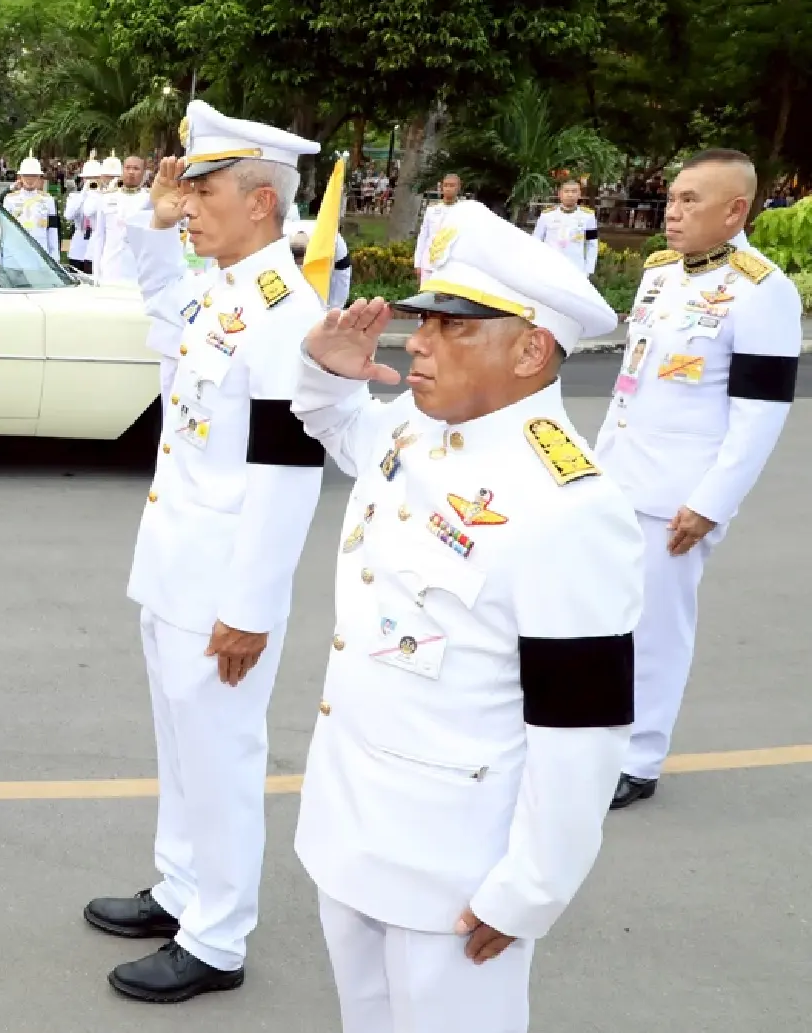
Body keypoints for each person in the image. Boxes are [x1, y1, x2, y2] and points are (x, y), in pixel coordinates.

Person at [292, 199, 643, 1033]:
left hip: (454, 869)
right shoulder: (419, 429)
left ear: (530, 350)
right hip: (351, 825)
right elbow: (344, 432)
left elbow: (582, 726)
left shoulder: (568, 505)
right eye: (423, 319)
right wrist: (326, 372)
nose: (418, 341)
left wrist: (530, 888)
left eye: (453, 325)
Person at [85, 101, 325, 1004]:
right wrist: (154, 227)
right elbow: (162, 310)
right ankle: (181, 886)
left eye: (204, 190)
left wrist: (250, 607)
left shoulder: (284, 313)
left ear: (261, 201)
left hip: (224, 582)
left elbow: (288, 475)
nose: (188, 203)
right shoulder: (228, 289)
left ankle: (217, 936)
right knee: (181, 744)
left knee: (221, 756)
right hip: (177, 563)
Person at [594, 149, 798, 810]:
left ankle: (638, 756)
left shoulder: (762, 290)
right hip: (619, 477)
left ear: (735, 210)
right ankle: (596, 735)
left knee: (655, 628)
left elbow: (761, 413)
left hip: (677, 495)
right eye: (672, 198)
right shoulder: (659, 273)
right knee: (603, 615)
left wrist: (711, 503)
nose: (672, 212)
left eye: (690, 201)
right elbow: (631, 384)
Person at [94, 155, 152, 287]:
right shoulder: (107, 198)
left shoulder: (149, 200)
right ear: (122, 170)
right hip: (110, 270)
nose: (131, 172)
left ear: (143, 173)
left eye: (136, 169)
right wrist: (96, 273)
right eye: (128, 168)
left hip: (138, 271)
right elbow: (99, 237)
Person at [286, 211, 354, 309]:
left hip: (335, 260)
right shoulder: (282, 238)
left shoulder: (334, 244)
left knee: (330, 307)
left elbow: (341, 281)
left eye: (301, 263)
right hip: (300, 245)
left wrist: (334, 307)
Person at [531, 178, 598, 275]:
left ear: (579, 194)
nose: (570, 195)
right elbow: (536, 241)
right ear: (560, 194)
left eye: (574, 191)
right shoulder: (547, 215)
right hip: (549, 267)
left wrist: (588, 270)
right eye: (566, 191)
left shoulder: (588, 216)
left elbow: (592, 244)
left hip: (576, 268)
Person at [3, 155, 59, 258]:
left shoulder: (48, 200)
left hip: (40, 254)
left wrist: (55, 256)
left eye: (34, 176)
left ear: (39, 178)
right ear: (20, 177)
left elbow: (53, 231)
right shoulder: (10, 200)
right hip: (16, 255)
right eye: (26, 176)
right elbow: (5, 231)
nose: (30, 179)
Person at [414, 173, 462, 281]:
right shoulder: (432, 210)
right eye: (446, 185)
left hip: (449, 266)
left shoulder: (462, 211)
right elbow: (423, 237)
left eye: (452, 185)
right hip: (429, 264)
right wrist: (418, 263)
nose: (448, 189)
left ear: (458, 187)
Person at [63, 153, 104, 273]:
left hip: (96, 247)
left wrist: (96, 194)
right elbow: (68, 215)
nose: (91, 180)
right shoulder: (75, 197)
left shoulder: (104, 197)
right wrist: (84, 193)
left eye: (94, 177)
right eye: (87, 178)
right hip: (79, 246)